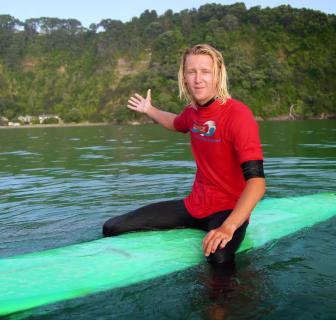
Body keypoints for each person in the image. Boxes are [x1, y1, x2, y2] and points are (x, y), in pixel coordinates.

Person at [102, 44, 266, 265]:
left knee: (218, 257)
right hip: (195, 205)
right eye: (192, 71)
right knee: (112, 227)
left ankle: (227, 299)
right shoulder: (192, 113)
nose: (198, 79)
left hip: (228, 210)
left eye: (205, 71)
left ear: (218, 76)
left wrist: (229, 226)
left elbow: (256, 183)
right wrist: (149, 110)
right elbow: (175, 123)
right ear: (184, 77)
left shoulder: (238, 115)